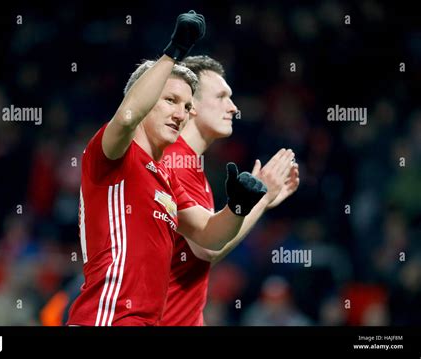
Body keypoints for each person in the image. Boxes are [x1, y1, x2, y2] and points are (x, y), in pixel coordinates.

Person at [67, 11, 267, 326]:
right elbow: (129, 115)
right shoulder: (112, 156)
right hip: (106, 319)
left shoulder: (166, 178)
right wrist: (174, 52)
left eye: (187, 106)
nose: (180, 113)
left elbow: (209, 236)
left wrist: (239, 206)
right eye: (170, 100)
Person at [159, 55, 300, 325]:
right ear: (191, 105)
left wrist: (260, 199)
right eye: (222, 96)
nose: (234, 107)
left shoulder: (189, 164)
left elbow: (199, 255)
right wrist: (263, 197)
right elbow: (208, 249)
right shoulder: (175, 163)